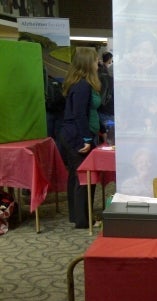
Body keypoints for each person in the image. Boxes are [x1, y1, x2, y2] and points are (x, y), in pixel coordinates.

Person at [59, 47, 101, 229]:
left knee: (76, 177)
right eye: (95, 60)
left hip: (70, 134)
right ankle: (84, 219)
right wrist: (86, 139)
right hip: (77, 136)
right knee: (84, 178)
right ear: (87, 64)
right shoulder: (83, 85)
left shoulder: (77, 83)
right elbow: (79, 115)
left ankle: (77, 216)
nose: (97, 63)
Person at [97, 51, 114, 138]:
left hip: (103, 110)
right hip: (107, 110)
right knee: (110, 135)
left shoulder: (100, 71)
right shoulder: (106, 72)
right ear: (110, 60)